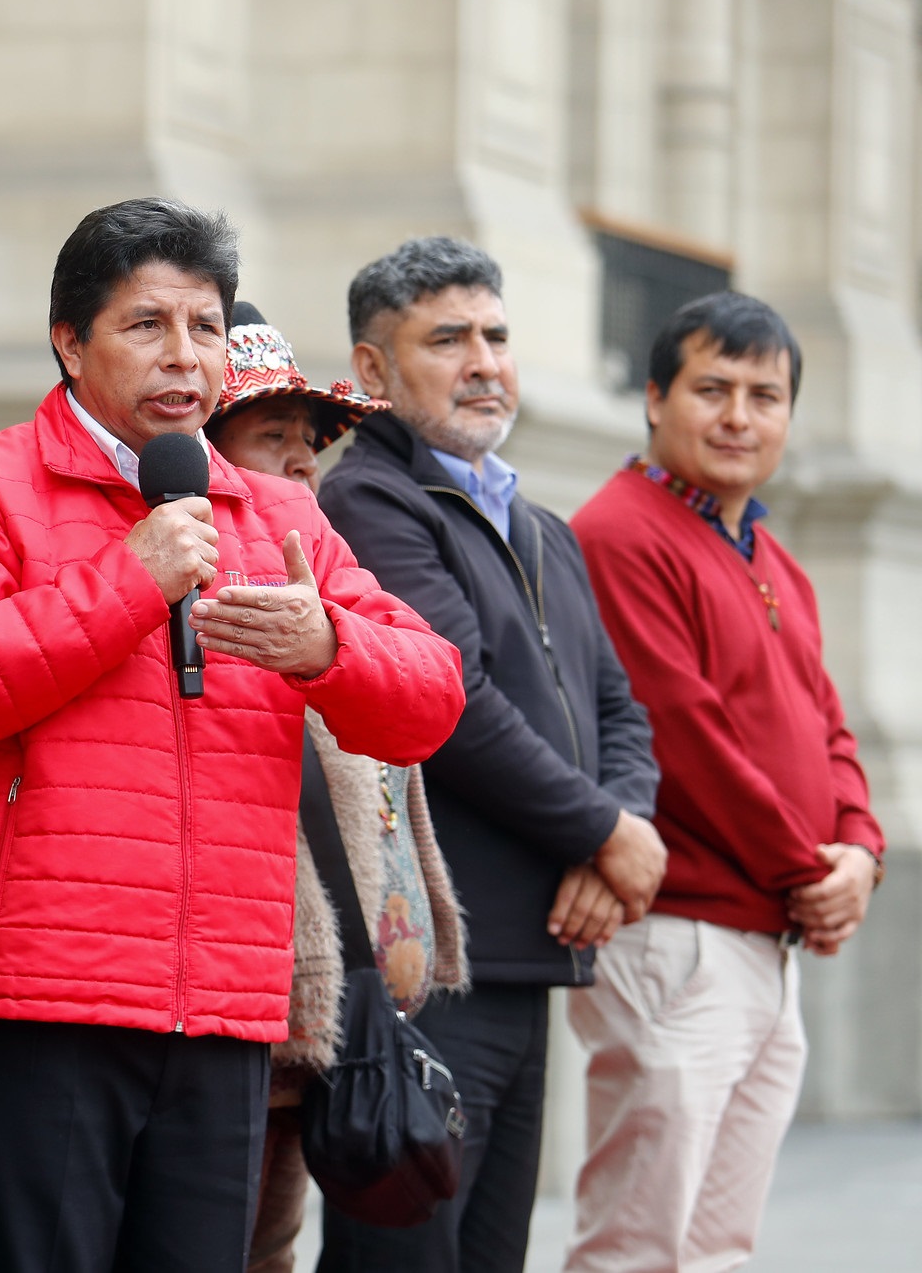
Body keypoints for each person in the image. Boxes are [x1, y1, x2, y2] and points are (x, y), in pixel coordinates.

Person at [0, 197, 467, 1272]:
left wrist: (325, 644)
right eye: (145, 325)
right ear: (68, 341)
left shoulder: (277, 516)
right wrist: (127, 580)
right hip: (43, 999)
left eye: (203, 327)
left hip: (226, 1007)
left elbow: (430, 695)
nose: (182, 357)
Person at [315, 236, 668, 1273]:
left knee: (489, 1254)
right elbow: (453, 707)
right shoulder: (369, 502)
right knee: (406, 1256)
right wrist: (600, 831)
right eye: (447, 339)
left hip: (528, 945)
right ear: (371, 371)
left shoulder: (541, 526)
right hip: (428, 961)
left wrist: (615, 831)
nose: (483, 362)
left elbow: (614, 703)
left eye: (496, 335)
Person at [563, 292, 884, 1272]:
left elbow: (828, 723)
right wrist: (807, 873)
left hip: (763, 933)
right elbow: (683, 738)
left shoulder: (772, 556)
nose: (738, 416)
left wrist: (860, 855)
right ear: (654, 398)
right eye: (711, 389)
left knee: (714, 1249)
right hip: (675, 934)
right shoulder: (622, 532)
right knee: (634, 1243)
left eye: (763, 395)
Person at [205, 305, 467, 1273]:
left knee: (272, 1249)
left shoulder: (330, 568)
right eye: (270, 436)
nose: (302, 461)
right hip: (240, 1016)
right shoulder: (205, 585)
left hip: (327, 1020)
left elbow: (432, 693)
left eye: (308, 440)